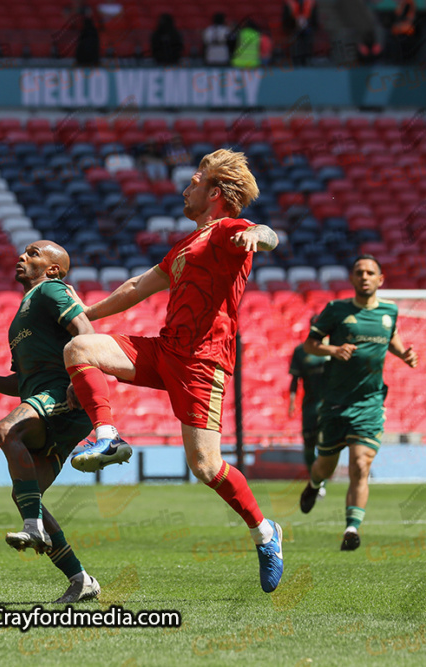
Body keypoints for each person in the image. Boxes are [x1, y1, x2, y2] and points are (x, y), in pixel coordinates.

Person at [63, 149, 285, 593]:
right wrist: (85, 310)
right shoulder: (185, 245)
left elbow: (266, 233)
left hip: (203, 362)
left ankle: (265, 532)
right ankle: (107, 436)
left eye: (195, 182)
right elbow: (134, 288)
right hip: (166, 350)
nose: (186, 189)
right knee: (80, 346)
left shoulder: (227, 231)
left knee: (205, 467)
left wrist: (257, 238)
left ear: (215, 192)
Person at [0, 240, 103, 603]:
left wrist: (76, 379)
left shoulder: (52, 290)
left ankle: (33, 528)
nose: (23, 257)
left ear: (53, 268)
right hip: (50, 404)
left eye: (34, 253)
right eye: (24, 252)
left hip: (62, 396)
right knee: (26, 496)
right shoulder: (20, 318)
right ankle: (81, 578)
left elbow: (87, 334)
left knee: (6, 430)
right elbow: (23, 382)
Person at [299, 255, 419, 551]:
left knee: (360, 464)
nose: (364, 277)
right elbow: (309, 344)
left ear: (381, 279)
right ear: (352, 279)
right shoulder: (336, 310)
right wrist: (334, 349)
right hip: (336, 403)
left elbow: (391, 337)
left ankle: (352, 528)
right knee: (325, 465)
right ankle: (315, 484)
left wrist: (403, 354)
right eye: (359, 272)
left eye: (370, 272)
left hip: (370, 402)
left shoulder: (389, 311)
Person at [288, 318, 328, 494]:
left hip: (330, 406)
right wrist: (291, 402)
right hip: (310, 405)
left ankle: (321, 483)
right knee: (309, 445)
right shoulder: (301, 351)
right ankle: (315, 481)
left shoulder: (334, 349)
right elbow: (294, 380)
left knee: (325, 444)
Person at [282, 0, 318, 66]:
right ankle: (295, 60)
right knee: (295, 42)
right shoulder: (289, 3)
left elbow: (314, 17)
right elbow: (285, 17)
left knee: (307, 41)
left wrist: (307, 24)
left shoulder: (311, 2)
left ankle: (306, 59)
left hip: (307, 27)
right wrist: (294, 23)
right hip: (293, 27)